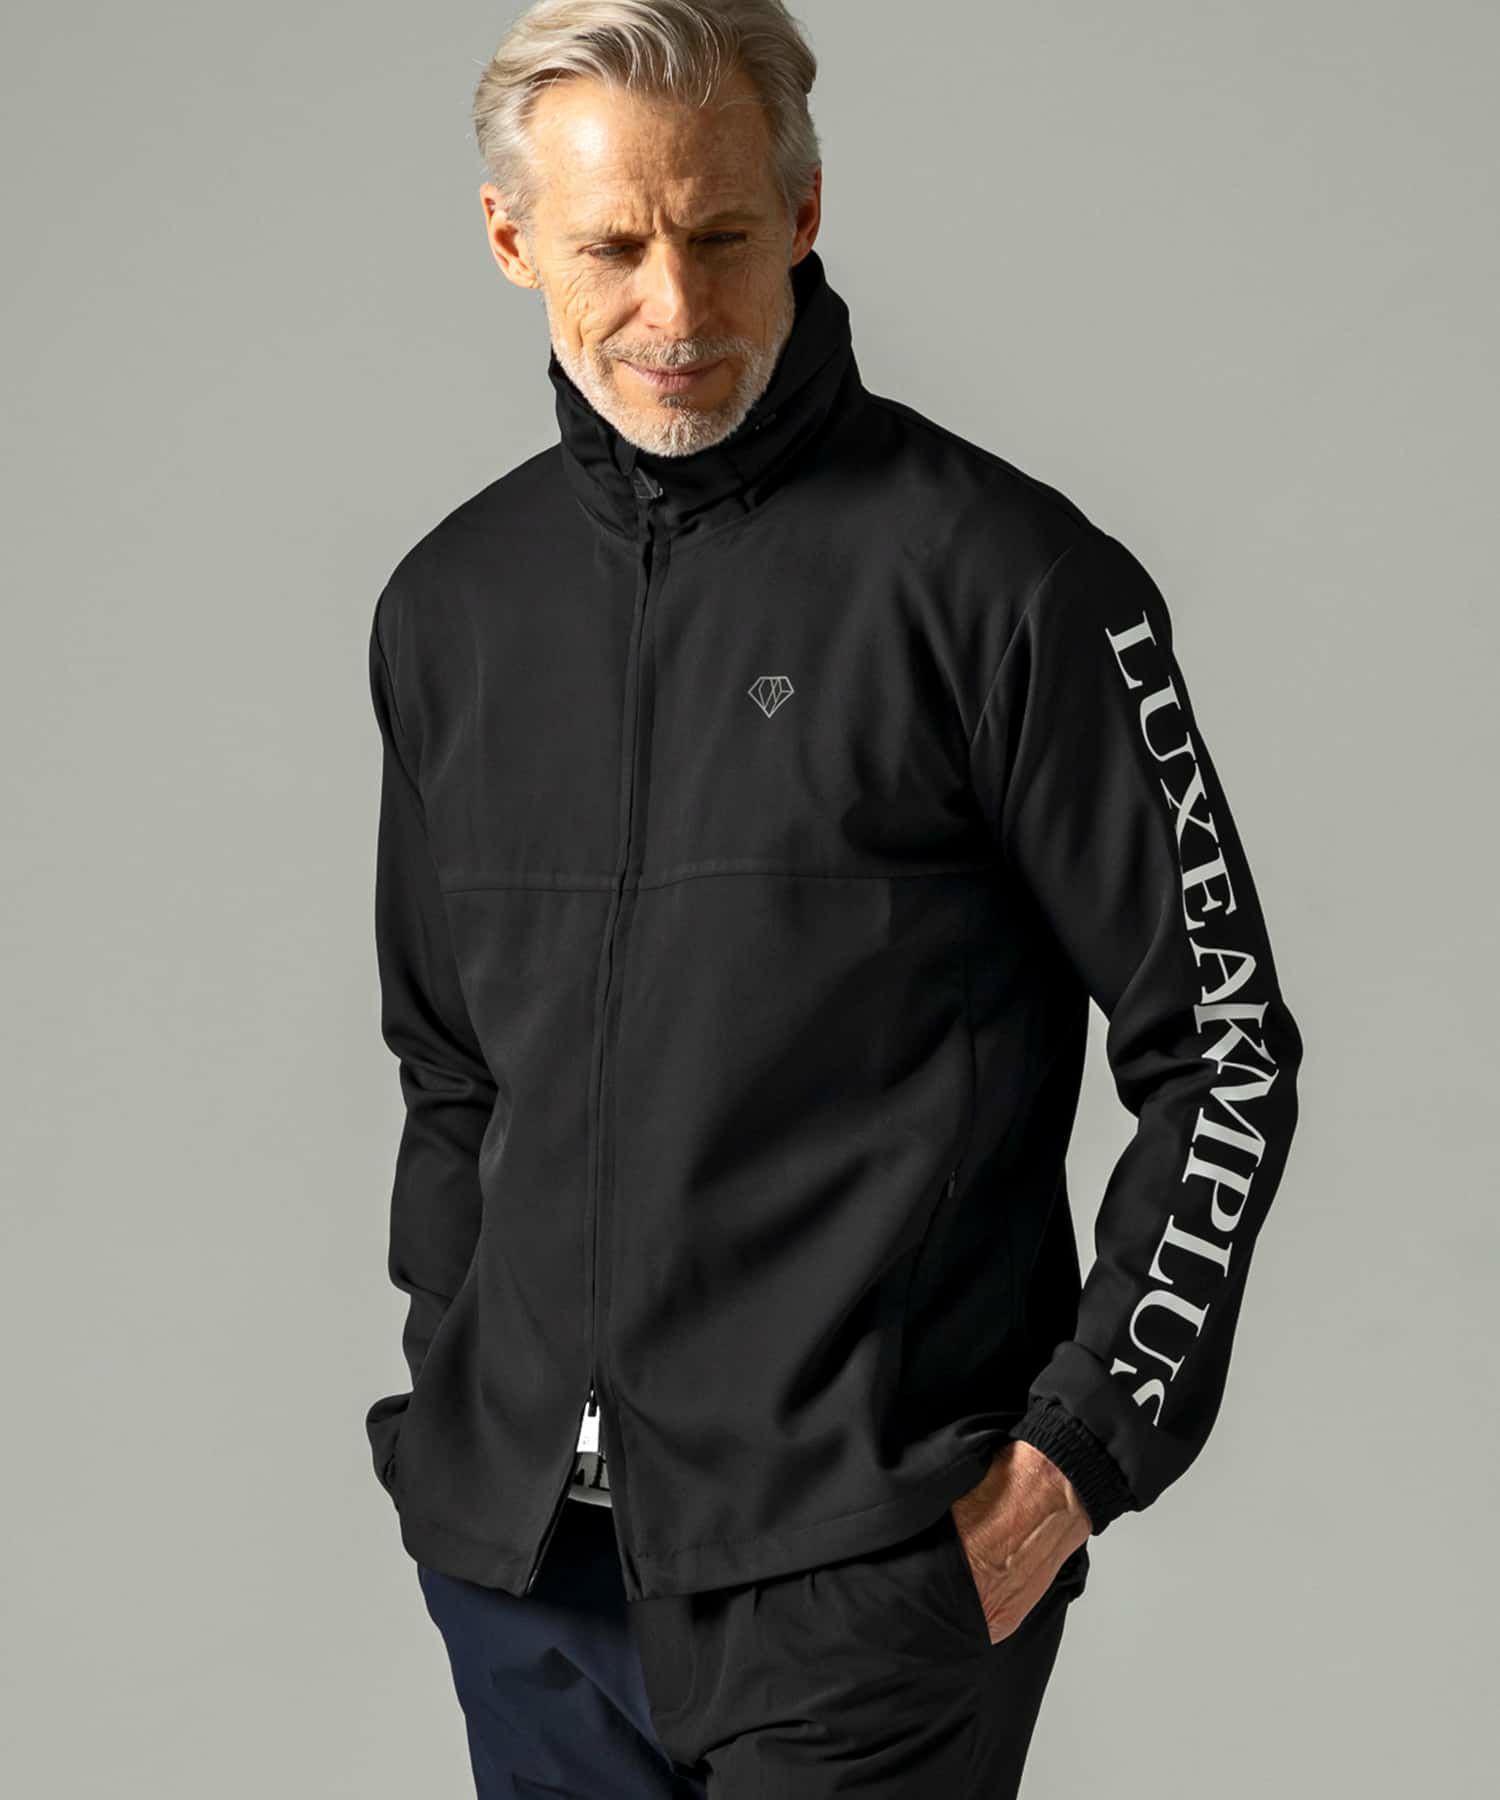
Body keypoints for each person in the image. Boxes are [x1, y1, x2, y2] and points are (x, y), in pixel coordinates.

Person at [361, 3, 1304, 1794]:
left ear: (802, 210)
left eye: (722, 233)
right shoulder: (451, 610)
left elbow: (1228, 1051)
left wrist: (1075, 1460)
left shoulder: (1010, 581)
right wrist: (457, 1422)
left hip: (869, 1580)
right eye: (613, 247)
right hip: (529, 1579)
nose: (677, 308)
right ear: (510, 240)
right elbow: (451, 1069)